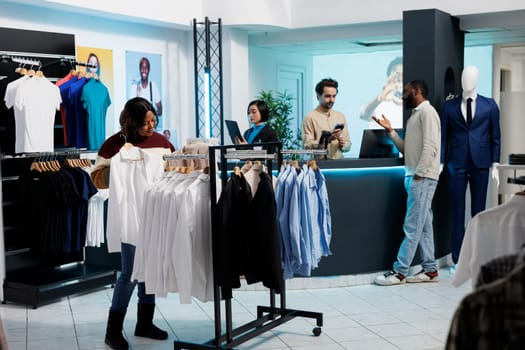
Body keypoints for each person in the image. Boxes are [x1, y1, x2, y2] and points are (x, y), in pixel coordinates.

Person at [91, 97, 175, 350]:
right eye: (145, 123)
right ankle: (112, 330)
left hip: (155, 214)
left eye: (153, 121)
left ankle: (144, 323)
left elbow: (173, 173)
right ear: (131, 123)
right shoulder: (113, 145)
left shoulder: (163, 143)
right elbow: (98, 179)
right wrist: (122, 166)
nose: (151, 127)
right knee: (129, 273)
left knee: (150, 268)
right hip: (130, 213)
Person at [372, 80, 441, 285]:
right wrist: (391, 131)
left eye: (406, 92)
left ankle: (400, 272)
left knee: (412, 226)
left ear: (418, 91)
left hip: (422, 177)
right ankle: (430, 270)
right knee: (424, 225)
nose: (403, 96)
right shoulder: (415, 115)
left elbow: (431, 146)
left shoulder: (427, 112)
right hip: (415, 176)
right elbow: (408, 150)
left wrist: (420, 173)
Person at [440, 65, 501, 269]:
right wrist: (441, 162)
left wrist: (495, 164)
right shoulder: (449, 107)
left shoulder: (490, 105)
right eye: (465, 77)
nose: (467, 80)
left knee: (478, 213)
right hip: (456, 162)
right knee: (457, 212)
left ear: (477, 79)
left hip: (481, 163)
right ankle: (458, 259)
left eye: (471, 77)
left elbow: (495, 136)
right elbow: (444, 137)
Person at [302, 78, 351, 159]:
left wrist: (343, 144)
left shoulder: (340, 116)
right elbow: (307, 147)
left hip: (339, 164)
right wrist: (326, 141)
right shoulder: (309, 118)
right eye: (327, 96)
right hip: (319, 166)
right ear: (318, 95)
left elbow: (348, 145)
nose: (332, 100)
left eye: (334, 96)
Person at [359, 57, 403, 129]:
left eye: (403, 74)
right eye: (397, 74)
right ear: (389, 78)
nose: (400, 78)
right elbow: (363, 114)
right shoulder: (380, 103)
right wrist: (379, 98)